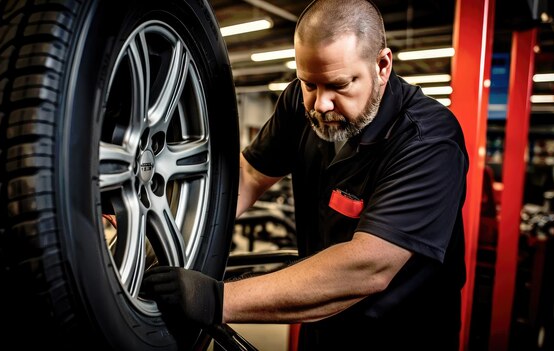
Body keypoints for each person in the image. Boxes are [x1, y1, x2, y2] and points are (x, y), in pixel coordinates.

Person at [143, 0, 469, 349]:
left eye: (339, 85)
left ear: (382, 65)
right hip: (322, 323)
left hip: (402, 336)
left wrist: (216, 299)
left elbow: (370, 265)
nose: (320, 105)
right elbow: (251, 175)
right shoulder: (300, 106)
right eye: (309, 84)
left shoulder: (429, 140)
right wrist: (170, 220)